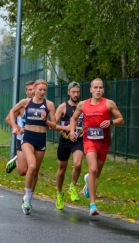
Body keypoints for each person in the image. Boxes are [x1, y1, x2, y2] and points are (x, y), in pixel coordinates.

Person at [70, 78, 124, 216]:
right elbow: (73, 118)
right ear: (91, 89)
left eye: (100, 88)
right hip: (89, 140)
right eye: (96, 87)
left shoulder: (109, 103)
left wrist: (110, 121)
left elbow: (121, 120)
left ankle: (88, 182)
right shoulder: (83, 104)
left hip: (104, 142)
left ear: (103, 90)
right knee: (93, 169)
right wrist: (72, 131)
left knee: (96, 173)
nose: (98, 90)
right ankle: (93, 205)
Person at [7, 79, 56, 215]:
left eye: (44, 90)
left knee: (35, 172)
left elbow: (54, 125)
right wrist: (15, 126)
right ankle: (26, 198)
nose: (42, 92)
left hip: (41, 139)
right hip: (27, 139)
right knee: (31, 166)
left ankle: (29, 196)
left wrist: (46, 120)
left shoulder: (49, 105)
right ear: (34, 89)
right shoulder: (26, 102)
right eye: (40, 90)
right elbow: (12, 112)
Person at [53, 81, 85, 210]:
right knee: (61, 170)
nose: (76, 94)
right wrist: (65, 127)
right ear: (68, 93)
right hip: (65, 141)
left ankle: (72, 186)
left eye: (77, 92)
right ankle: (59, 194)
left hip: (78, 140)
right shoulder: (62, 107)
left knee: (77, 164)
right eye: (73, 92)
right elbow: (53, 124)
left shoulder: (83, 106)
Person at [5, 81, 35, 175]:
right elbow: (8, 119)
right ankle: (16, 160)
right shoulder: (22, 105)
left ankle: (29, 189)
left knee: (33, 168)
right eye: (30, 90)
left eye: (34, 89)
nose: (32, 91)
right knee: (22, 171)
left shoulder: (42, 105)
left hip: (35, 139)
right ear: (26, 92)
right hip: (22, 139)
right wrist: (18, 127)